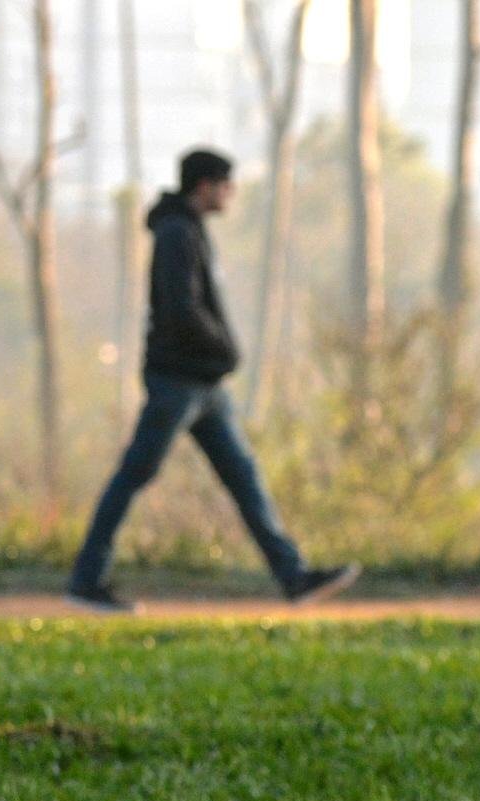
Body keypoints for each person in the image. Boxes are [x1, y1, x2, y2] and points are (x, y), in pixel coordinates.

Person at [67, 148, 358, 614]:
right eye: (226, 184)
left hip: (205, 385)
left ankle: (294, 576)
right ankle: (86, 579)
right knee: (134, 475)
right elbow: (182, 309)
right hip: (176, 382)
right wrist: (224, 349)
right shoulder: (176, 234)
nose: (231, 194)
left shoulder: (190, 230)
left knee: (244, 478)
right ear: (204, 186)